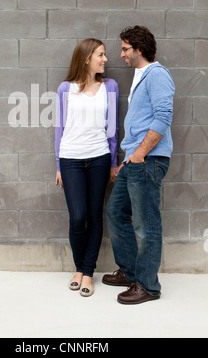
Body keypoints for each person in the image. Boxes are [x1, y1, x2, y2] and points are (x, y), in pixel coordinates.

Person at [103, 25, 175, 305]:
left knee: (146, 225)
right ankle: (131, 271)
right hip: (135, 160)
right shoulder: (141, 76)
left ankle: (147, 286)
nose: (121, 54)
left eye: (124, 49)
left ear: (139, 49)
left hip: (149, 160)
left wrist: (141, 153)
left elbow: (162, 117)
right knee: (115, 212)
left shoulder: (157, 75)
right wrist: (128, 159)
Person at [55, 38, 119, 297]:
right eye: (100, 55)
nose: (105, 59)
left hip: (100, 158)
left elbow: (113, 130)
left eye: (105, 55)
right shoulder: (64, 88)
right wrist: (58, 164)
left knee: (94, 215)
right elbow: (59, 128)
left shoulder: (110, 87)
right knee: (77, 217)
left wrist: (113, 162)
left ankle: (87, 273)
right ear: (86, 58)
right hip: (71, 159)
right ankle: (78, 266)